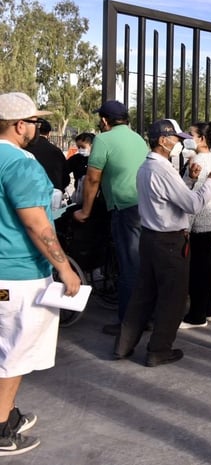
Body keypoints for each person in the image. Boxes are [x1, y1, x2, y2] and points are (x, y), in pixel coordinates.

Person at [0, 92, 82, 456]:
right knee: (14, 354)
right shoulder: (21, 164)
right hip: (19, 273)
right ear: (20, 125)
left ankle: (7, 413)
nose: (36, 127)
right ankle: (2, 429)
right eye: (33, 121)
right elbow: (37, 225)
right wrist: (64, 268)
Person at [113, 119, 211, 366]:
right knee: (172, 298)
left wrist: (191, 182)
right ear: (163, 141)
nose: (180, 144)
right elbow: (192, 204)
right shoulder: (161, 169)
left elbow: (169, 198)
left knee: (143, 294)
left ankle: (123, 345)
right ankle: (159, 350)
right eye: (176, 139)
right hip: (169, 242)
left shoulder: (147, 167)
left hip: (151, 238)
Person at [74, 100, 148, 334]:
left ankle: (128, 323)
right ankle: (144, 316)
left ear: (105, 120)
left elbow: (93, 178)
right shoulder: (138, 138)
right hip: (143, 206)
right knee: (139, 263)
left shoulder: (103, 140)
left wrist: (85, 211)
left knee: (128, 266)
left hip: (124, 208)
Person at [179, 121, 211, 329]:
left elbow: (191, 197)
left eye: (191, 134)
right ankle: (209, 309)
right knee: (208, 269)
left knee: (197, 271)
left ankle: (196, 315)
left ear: (202, 139)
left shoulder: (197, 161)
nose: (187, 138)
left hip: (198, 220)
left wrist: (185, 226)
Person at [24, 118, 69, 211]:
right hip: (54, 192)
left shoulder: (25, 150)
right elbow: (65, 175)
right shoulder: (56, 151)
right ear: (49, 133)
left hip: (31, 193)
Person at [66, 132, 95, 204]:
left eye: (83, 147)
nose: (80, 149)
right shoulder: (75, 159)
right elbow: (64, 171)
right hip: (79, 193)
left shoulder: (98, 159)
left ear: (92, 146)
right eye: (78, 147)